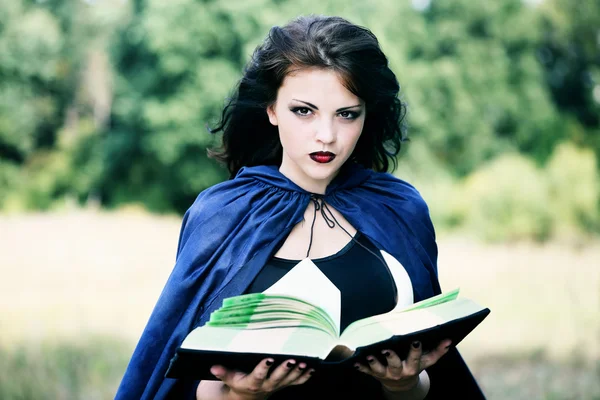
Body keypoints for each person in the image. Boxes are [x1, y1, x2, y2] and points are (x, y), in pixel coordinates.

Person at [115, 15, 486, 400]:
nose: (326, 135)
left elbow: (432, 381)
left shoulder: (399, 208)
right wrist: (243, 395)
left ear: (365, 116)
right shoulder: (220, 215)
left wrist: (404, 383)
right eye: (303, 111)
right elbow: (191, 384)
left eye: (346, 114)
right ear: (271, 109)